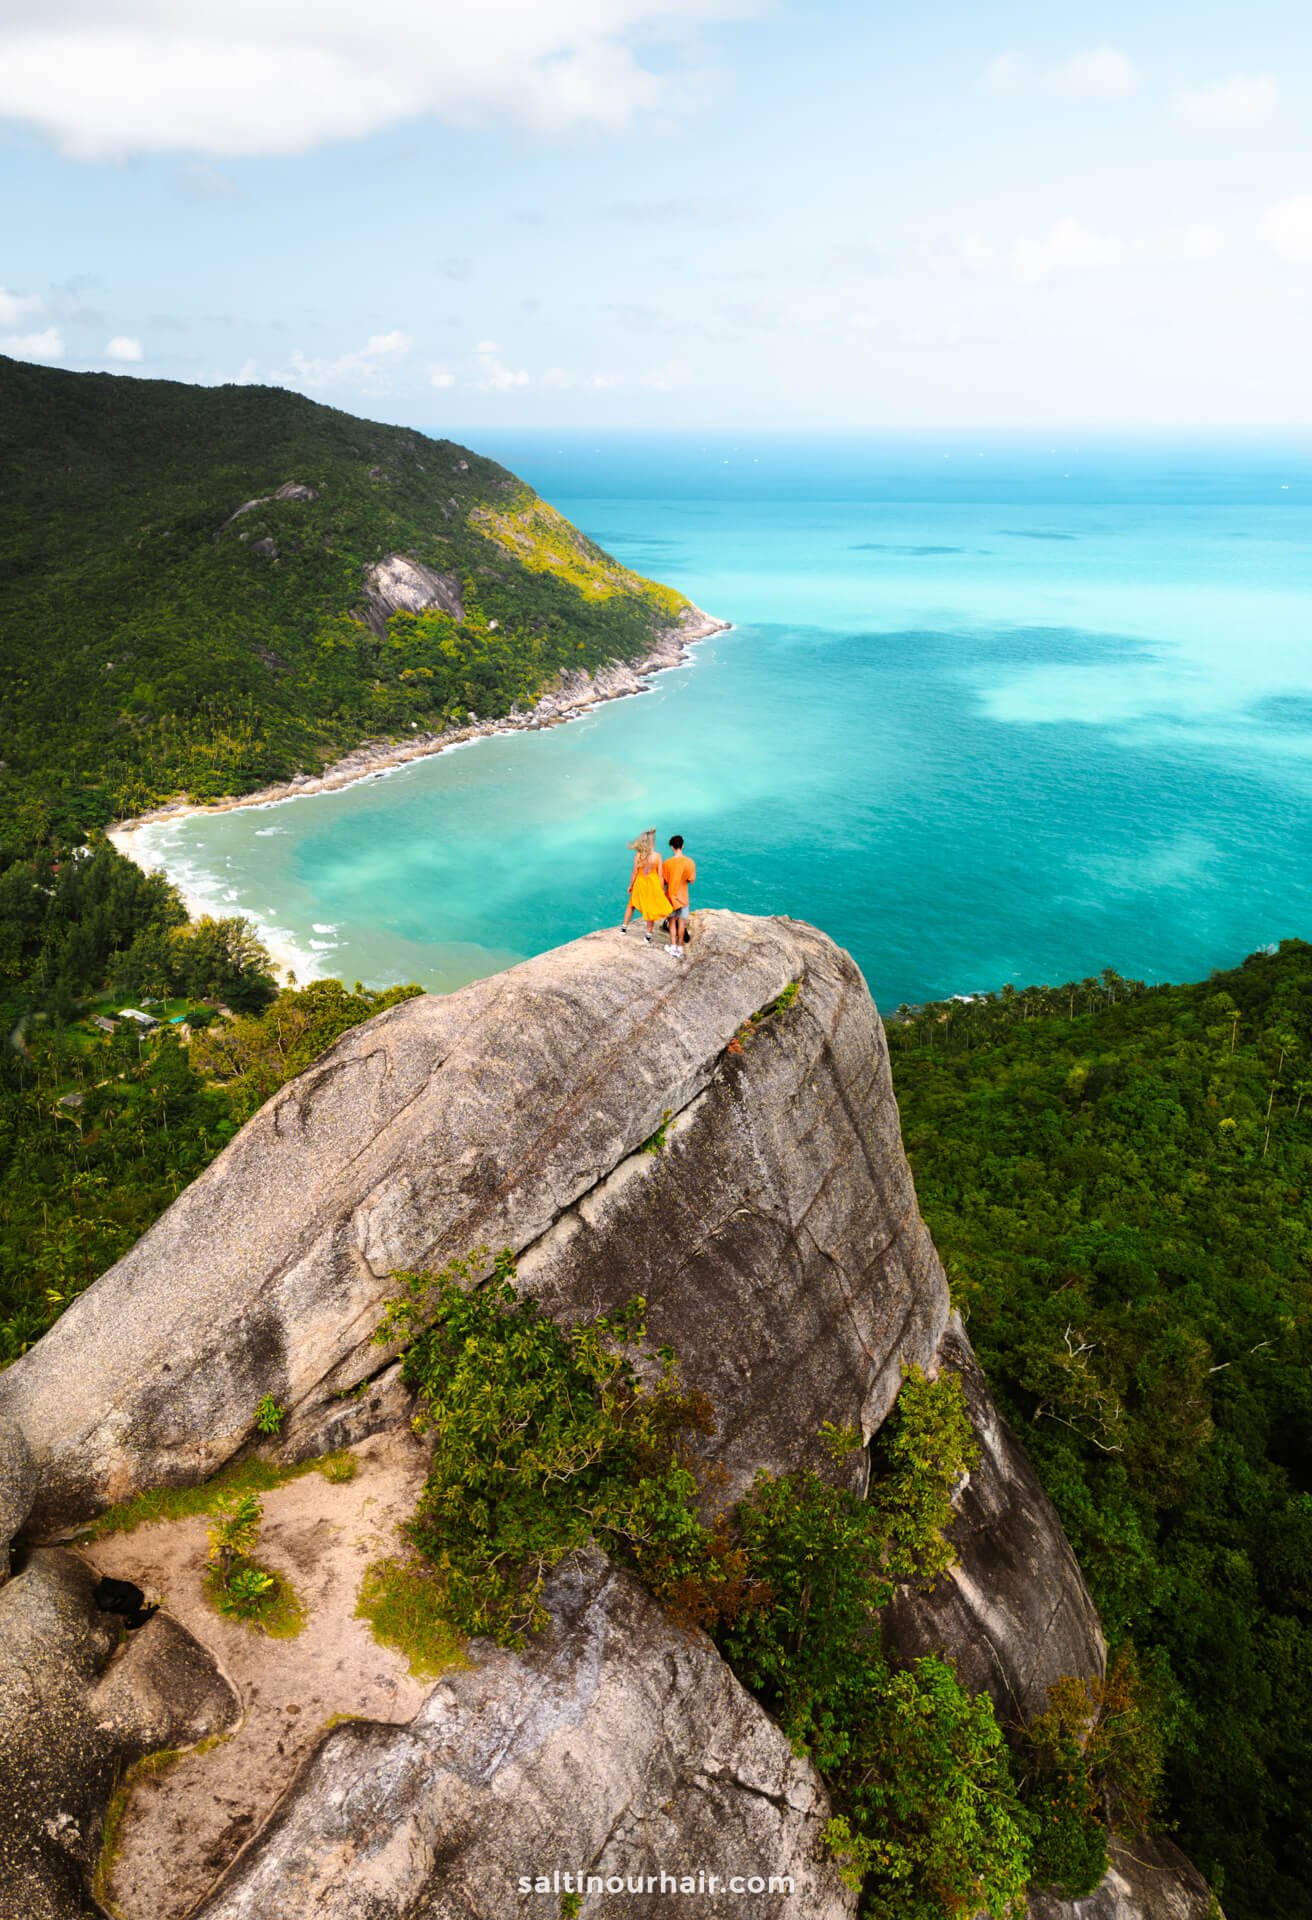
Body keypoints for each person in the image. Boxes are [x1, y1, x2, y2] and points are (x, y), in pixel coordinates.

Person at [621, 828, 673, 942]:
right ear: (653, 842)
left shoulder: (639, 855)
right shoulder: (658, 856)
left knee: (631, 904)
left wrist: (630, 885)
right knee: (651, 908)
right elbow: (660, 875)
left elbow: (635, 872)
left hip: (640, 881)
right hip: (653, 883)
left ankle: (624, 928)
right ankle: (648, 935)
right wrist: (660, 889)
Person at [662, 834, 696, 957]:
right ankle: (680, 947)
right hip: (684, 897)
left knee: (672, 922)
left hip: (671, 897)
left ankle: (673, 946)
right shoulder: (690, 862)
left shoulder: (667, 863)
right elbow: (691, 880)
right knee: (681, 922)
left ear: (672, 847)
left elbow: (664, 881)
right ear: (682, 845)